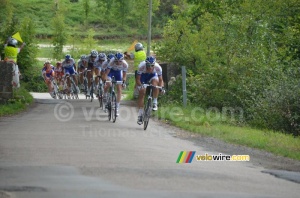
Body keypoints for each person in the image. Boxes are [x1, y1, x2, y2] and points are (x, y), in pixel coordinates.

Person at [136, 56, 164, 125]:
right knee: (142, 93)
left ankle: (155, 102)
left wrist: (161, 88)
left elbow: (160, 80)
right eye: (148, 65)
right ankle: (140, 115)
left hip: (152, 76)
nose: (150, 67)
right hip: (143, 77)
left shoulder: (158, 67)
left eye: (152, 66)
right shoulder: (141, 66)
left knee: (155, 84)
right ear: (146, 64)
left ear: (154, 65)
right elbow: (138, 79)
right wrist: (141, 86)